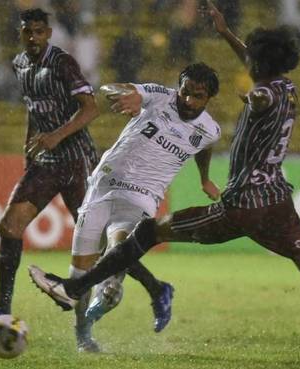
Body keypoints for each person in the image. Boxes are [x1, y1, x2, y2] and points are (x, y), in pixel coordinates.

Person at [27, 2, 300, 362]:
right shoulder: (288, 85)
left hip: (242, 205)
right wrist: (226, 32)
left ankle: (74, 287)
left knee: (148, 230)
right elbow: (259, 68)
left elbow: (262, 95)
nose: (250, 66)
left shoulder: (267, 94)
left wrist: (253, 99)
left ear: (261, 67)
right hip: (278, 204)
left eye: (253, 63)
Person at [66, 63, 222, 352]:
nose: (188, 101)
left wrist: (205, 178)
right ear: (178, 87)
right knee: (78, 276)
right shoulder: (160, 96)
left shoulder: (210, 130)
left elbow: (204, 146)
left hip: (141, 196)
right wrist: (127, 94)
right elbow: (110, 88)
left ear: (209, 97)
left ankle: (135, 291)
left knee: (116, 255)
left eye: (197, 96)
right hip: (102, 185)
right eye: (185, 93)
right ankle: (82, 334)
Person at [0, 7, 100, 331]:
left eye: (40, 31)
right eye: (28, 31)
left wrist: (56, 136)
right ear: (20, 33)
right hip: (45, 163)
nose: (34, 37)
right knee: (9, 227)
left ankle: (89, 326)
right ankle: (1, 309)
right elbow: (34, 110)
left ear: (49, 33)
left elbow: (91, 108)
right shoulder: (20, 64)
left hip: (77, 161)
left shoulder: (62, 62)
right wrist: (31, 149)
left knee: (91, 241)